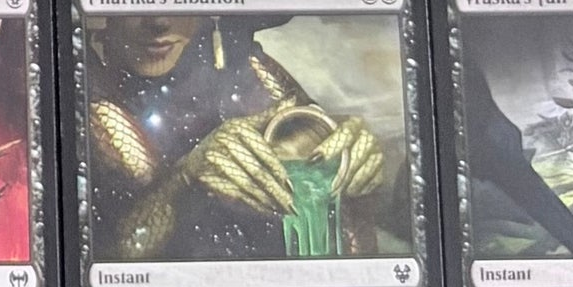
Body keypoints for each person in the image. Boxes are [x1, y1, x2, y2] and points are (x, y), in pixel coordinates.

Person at [85, 14, 383, 265]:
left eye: (178, 1)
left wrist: (348, 169)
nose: (159, 22)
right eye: (135, 3)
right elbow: (99, 259)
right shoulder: (88, 94)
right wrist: (185, 179)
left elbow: (345, 225)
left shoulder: (258, 76)